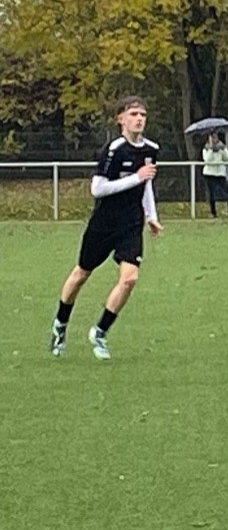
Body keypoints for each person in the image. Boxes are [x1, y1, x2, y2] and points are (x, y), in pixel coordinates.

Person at [50, 95, 162, 359]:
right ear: (120, 119)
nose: (139, 119)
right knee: (81, 274)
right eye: (133, 114)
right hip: (104, 223)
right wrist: (135, 178)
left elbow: (146, 184)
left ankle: (100, 332)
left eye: (142, 115)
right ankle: (60, 324)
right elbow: (97, 189)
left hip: (131, 224)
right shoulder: (113, 150)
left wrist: (151, 216)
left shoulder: (151, 150)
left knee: (130, 279)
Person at [202, 131, 228, 219]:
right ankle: (213, 213)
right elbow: (207, 160)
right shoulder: (206, 149)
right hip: (209, 174)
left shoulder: (221, 148)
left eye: (215, 137)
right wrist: (211, 149)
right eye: (212, 138)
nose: (214, 139)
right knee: (212, 194)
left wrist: (223, 150)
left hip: (220, 174)